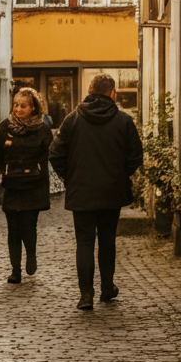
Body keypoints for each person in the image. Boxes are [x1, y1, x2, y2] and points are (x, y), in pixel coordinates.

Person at [49, 73, 143, 310]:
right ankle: (107, 287)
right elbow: (135, 156)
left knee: (84, 242)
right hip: (112, 191)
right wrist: (120, 175)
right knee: (107, 240)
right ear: (112, 93)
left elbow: (55, 154)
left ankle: (86, 295)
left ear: (89, 92)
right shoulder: (123, 121)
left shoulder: (72, 120)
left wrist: (70, 177)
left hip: (81, 191)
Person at [0, 87, 52, 283]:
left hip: (34, 185)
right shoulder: (5, 127)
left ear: (33, 107)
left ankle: (31, 255)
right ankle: (15, 270)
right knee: (13, 229)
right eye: (16, 105)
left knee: (29, 226)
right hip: (12, 184)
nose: (18, 109)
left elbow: (51, 157)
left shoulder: (42, 130)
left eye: (23, 106)